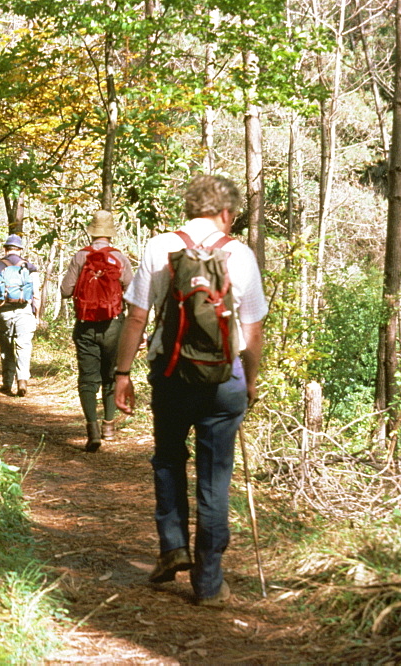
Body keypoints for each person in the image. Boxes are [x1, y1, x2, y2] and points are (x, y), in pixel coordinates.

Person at [113, 174, 267, 607]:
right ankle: (209, 583)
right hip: (224, 379)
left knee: (168, 460)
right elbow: (252, 331)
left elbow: (137, 319)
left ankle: (172, 547)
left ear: (189, 208)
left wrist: (122, 375)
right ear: (226, 213)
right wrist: (249, 380)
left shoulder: (159, 247)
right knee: (215, 478)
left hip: (171, 373)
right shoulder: (240, 254)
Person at [60, 210, 133, 451]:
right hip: (114, 324)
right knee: (111, 374)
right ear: (111, 234)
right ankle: (109, 426)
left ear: (91, 232)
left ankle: (92, 429)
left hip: (85, 325)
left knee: (88, 379)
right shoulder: (120, 259)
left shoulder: (81, 256)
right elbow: (132, 294)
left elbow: (65, 290)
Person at [0, 234, 41, 396]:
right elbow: (36, 294)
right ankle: (22, 381)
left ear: (5, 249)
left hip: (4, 311)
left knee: (6, 347)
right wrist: (36, 315)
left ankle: (7, 382)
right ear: (20, 249)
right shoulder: (30, 267)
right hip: (25, 311)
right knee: (24, 346)